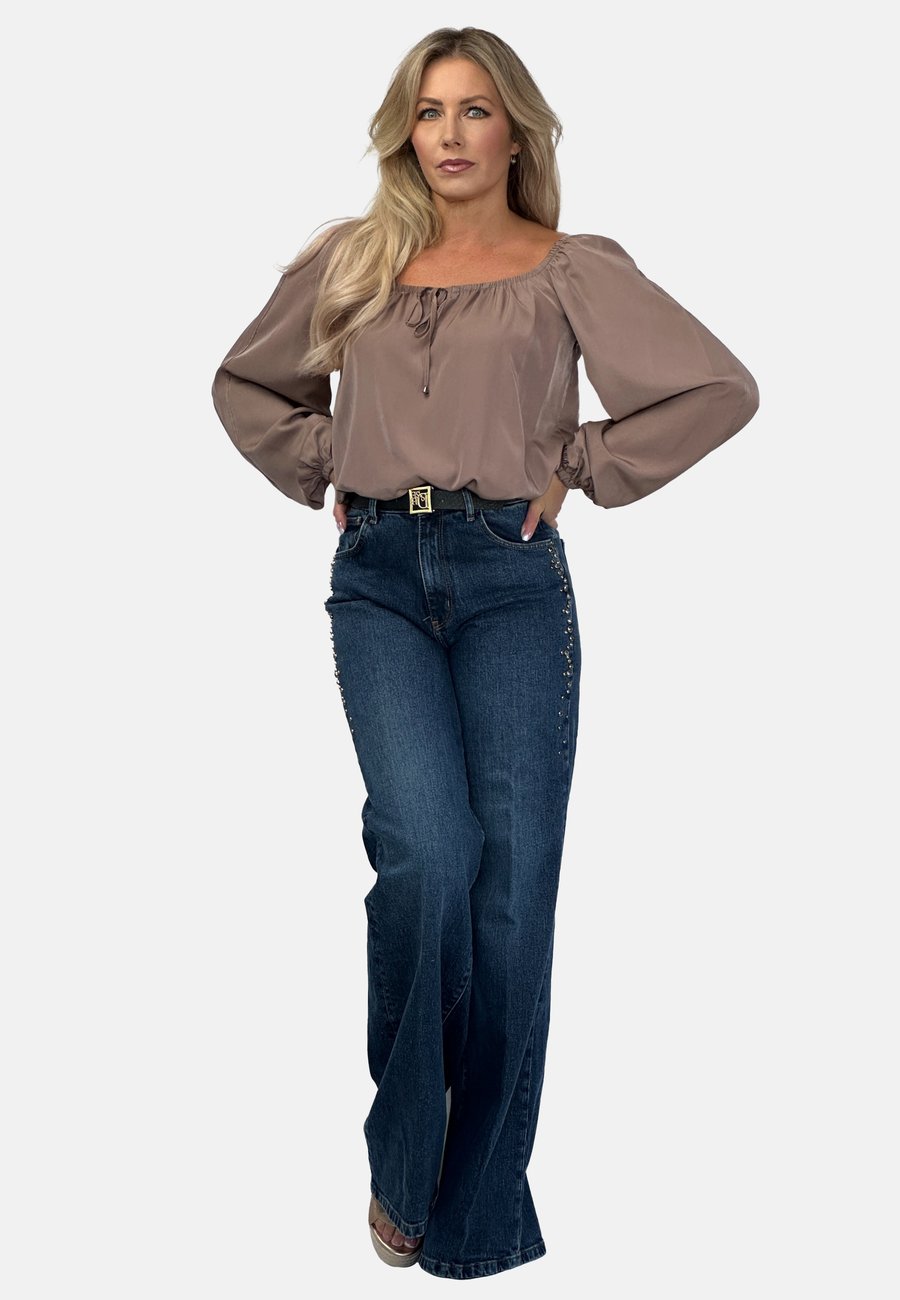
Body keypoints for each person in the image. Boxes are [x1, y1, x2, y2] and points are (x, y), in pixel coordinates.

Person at [211, 25, 759, 1281]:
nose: (449, 134)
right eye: (427, 111)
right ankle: (406, 1161)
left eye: (473, 110)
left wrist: (583, 465)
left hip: (511, 580)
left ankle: (478, 1214)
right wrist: (328, 464)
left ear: (517, 130)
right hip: (379, 585)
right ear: (403, 131)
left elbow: (717, 390)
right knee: (428, 852)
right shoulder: (354, 261)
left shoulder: (570, 269)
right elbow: (248, 383)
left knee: (510, 897)